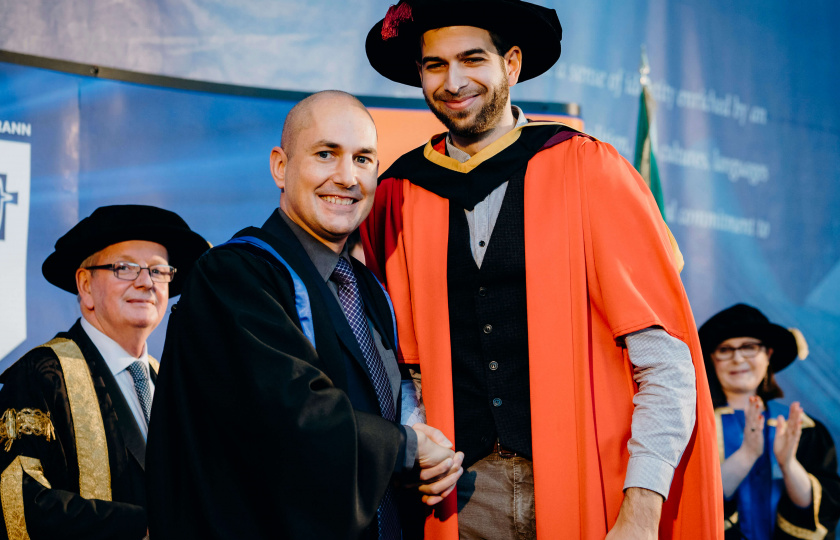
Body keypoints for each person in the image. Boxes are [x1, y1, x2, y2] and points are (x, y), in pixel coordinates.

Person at [361, 1, 723, 538]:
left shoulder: (587, 170)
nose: (454, 81)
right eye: (435, 65)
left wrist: (643, 507)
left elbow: (665, 361)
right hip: (462, 499)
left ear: (510, 64)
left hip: (593, 484)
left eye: (472, 59)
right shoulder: (400, 192)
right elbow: (400, 368)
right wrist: (418, 441)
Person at [146, 90, 464, 540]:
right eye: (325, 154)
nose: (347, 177)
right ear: (281, 166)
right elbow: (286, 414)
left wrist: (427, 447)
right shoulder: (233, 276)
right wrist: (405, 448)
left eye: (363, 159)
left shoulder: (369, 288)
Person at [0, 204, 208, 540]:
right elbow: (18, 500)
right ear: (85, 285)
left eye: (158, 271)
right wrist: (144, 526)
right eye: (125, 268)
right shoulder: (41, 375)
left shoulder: (169, 380)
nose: (146, 283)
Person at [699, 304, 840, 539]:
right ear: (712, 359)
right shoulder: (696, 428)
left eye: (749, 347)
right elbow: (694, 505)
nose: (737, 358)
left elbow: (824, 510)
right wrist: (746, 455)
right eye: (725, 350)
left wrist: (788, 465)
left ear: (769, 355)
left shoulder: (804, 429)